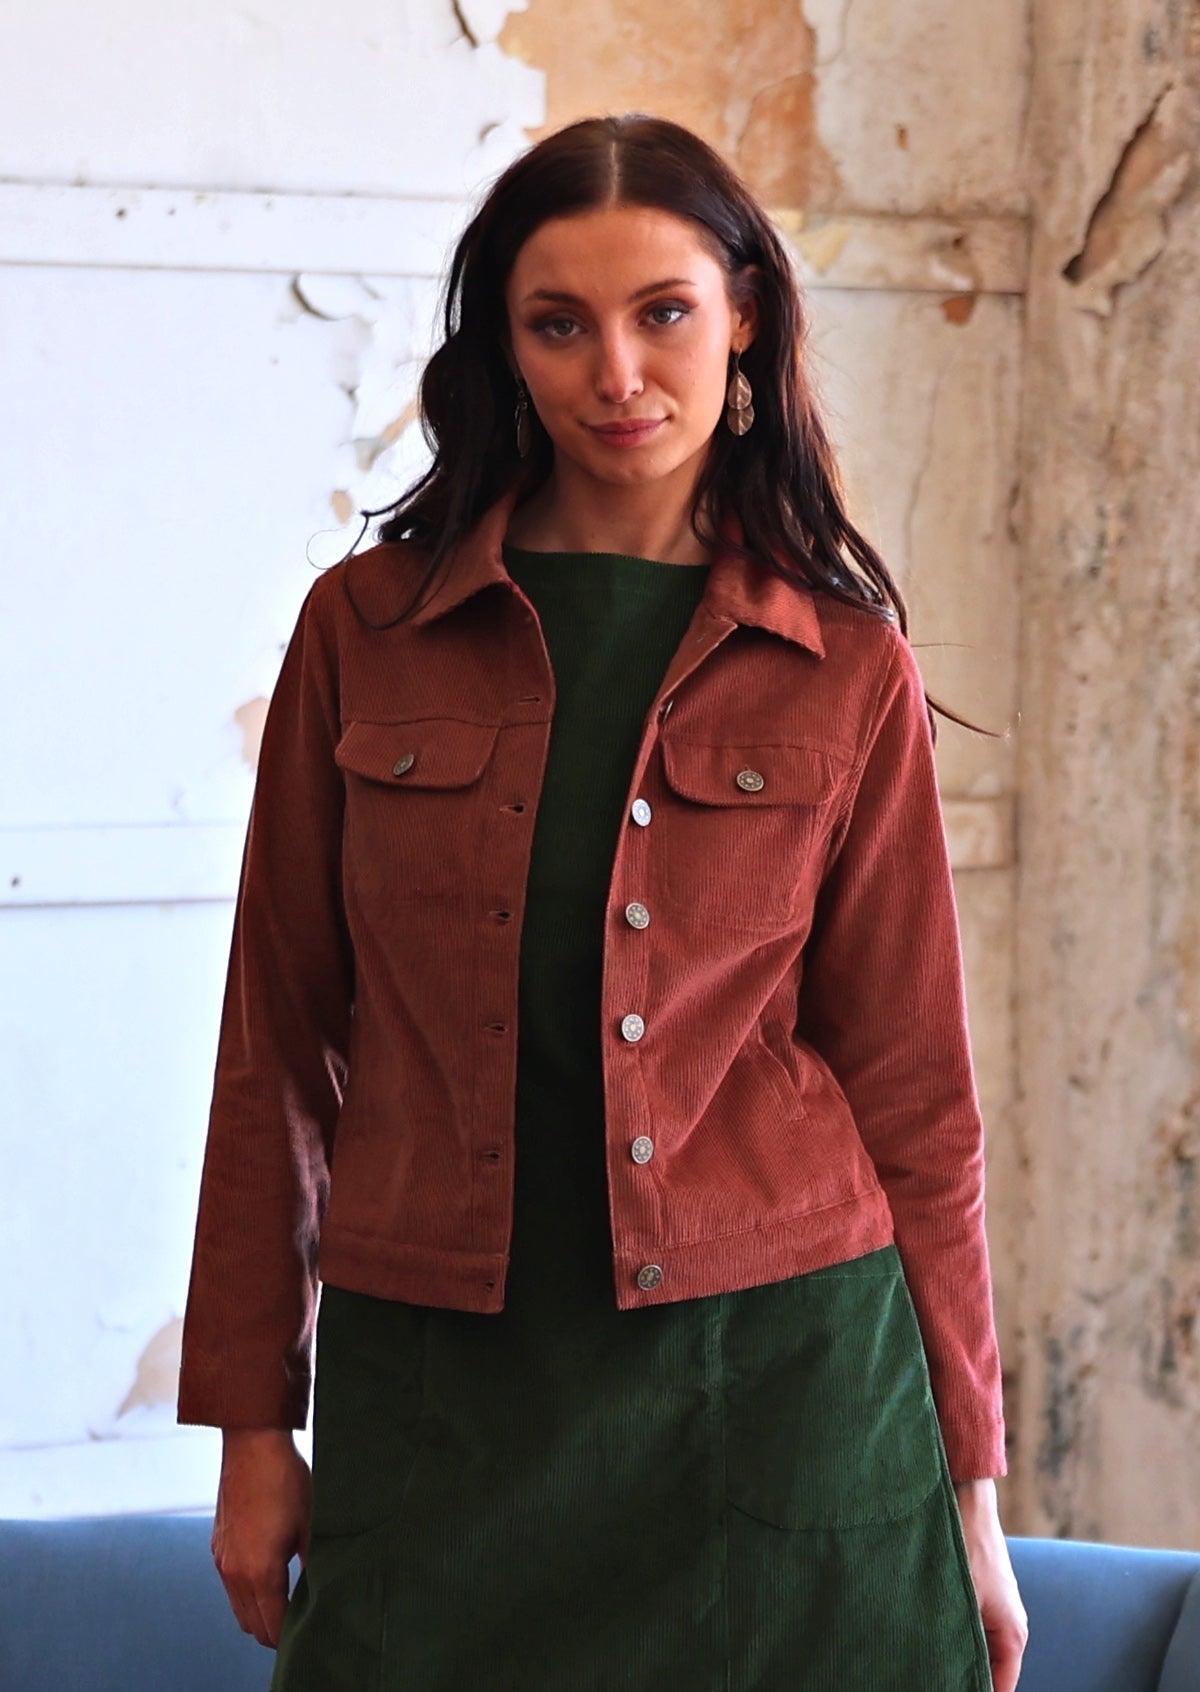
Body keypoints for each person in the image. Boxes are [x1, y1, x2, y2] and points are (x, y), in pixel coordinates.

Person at [178, 112, 1029, 1691]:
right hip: (443, 1390)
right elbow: (276, 1050)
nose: (616, 376)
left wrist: (974, 1494)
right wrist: (251, 1424)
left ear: (746, 320)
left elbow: (917, 1096)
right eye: (557, 325)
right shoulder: (364, 631)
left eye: (664, 316)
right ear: (502, 348)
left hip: (779, 1388)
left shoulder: (847, 670)